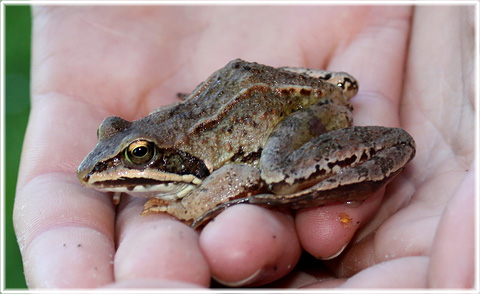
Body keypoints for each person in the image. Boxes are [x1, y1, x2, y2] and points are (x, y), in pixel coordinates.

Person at [13, 5, 475, 288]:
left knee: (275, 173)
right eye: (120, 144)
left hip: (300, 116)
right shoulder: (158, 143)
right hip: (260, 91)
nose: (118, 163)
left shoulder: (201, 164)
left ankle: (311, 184)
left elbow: (239, 173)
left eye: (138, 154)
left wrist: (190, 207)